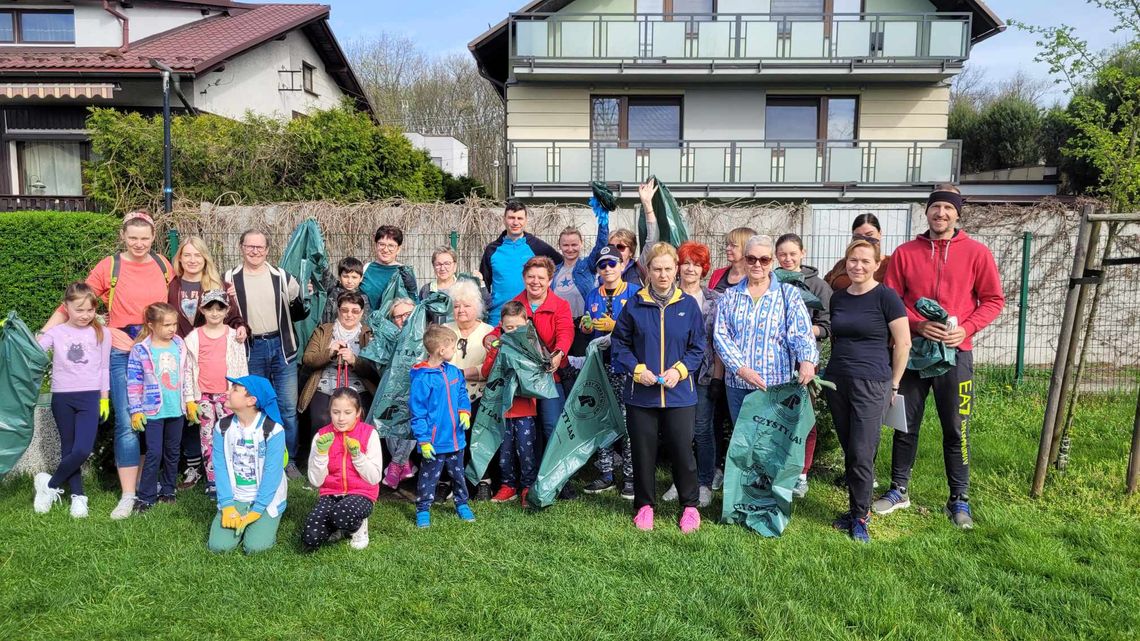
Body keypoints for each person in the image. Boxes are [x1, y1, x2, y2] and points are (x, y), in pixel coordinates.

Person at [873, 185, 1005, 529]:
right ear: (927, 213)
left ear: (957, 214)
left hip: (956, 355)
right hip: (912, 355)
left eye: (948, 208)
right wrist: (916, 324)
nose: (941, 214)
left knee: (956, 428)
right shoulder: (905, 253)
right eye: (935, 208)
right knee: (905, 424)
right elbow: (891, 299)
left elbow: (993, 300)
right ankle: (899, 489)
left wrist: (968, 328)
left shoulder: (977, 253)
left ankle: (959, 498)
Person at [40, 210, 172, 520]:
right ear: (123, 236)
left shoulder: (163, 265)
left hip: (155, 352)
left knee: (153, 418)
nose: (139, 244)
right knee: (127, 421)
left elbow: (184, 293)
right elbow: (74, 304)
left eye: (145, 238)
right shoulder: (109, 266)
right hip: (121, 353)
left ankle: (146, 485)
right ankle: (128, 496)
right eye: (133, 238)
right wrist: (42, 336)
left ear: (153, 237)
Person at [611, 242, 706, 532]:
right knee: (643, 451)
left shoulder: (688, 305)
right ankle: (644, 506)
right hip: (642, 394)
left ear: (676, 270)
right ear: (648, 271)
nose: (663, 275)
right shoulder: (634, 305)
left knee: (682, 451)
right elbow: (619, 344)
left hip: (680, 394)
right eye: (657, 269)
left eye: (668, 269)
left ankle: (689, 506)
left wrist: (679, 371)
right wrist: (638, 371)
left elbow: (698, 346)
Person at [825, 239, 910, 543]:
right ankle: (856, 507)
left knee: (862, 451)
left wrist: (895, 383)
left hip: (872, 382)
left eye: (864, 261)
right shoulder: (838, 299)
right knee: (851, 449)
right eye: (852, 260)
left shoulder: (886, 297)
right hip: (838, 382)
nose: (857, 266)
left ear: (876, 265)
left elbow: (903, 343)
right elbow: (836, 338)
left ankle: (860, 516)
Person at [224, 229, 309, 479]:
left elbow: (300, 310)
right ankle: (258, 456)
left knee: (287, 408)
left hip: (281, 347)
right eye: (250, 246)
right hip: (250, 349)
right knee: (254, 405)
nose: (255, 251)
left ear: (268, 250)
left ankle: (289, 460)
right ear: (241, 247)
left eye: (260, 247)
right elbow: (223, 313)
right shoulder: (229, 278)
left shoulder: (282, 277)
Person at [713, 235, 819, 425]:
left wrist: (807, 360)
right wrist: (741, 369)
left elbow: (802, 333)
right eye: (751, 259)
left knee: (772, 445)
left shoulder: (788, 294)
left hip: (776, 386)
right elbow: (721, 337)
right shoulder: (730, 296)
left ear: (772, 261)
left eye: (764, 259)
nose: (757, 264)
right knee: (744, 445)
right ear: (744, 260)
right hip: (738, 385)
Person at [169, 236, 245, 490]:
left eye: (197, 255)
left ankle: (231, 473)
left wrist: (242, 326)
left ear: (205, 258)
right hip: (185, 357)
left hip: (219, 373)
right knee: (194, 418)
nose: (192, 260)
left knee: (227, 428)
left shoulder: (219, 285)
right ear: (180, 258)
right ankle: (197, 468)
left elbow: (234, 318)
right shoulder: (173, 285)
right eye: (186, 255)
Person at [32, 283, 111, 518]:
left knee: (82, 449)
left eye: (90, 310)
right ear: (66, 308)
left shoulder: (102, 333)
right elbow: (34, 351)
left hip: (90, 397)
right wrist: (15, 333)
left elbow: (104, 367)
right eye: (79, 310)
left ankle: (49, 485)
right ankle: (78, 496)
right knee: (68, 449)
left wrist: (104, 398)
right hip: (62, 398)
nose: (85, 315)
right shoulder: (56, 333)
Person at [661, 241, 720, 508]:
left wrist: (717, 376)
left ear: (704, 269)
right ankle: (681, 479)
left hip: (704, 376)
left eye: (697, 264)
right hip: (673, 374)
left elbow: (720, 342)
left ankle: (704, 483)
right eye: (686, 263)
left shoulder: (714, 301)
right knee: (678, 432)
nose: (691, 269)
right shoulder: (666, 296)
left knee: (702, 430)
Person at [775, 233, 832, 498]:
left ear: (802, 253)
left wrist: (804, 330)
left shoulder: (817, 286)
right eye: (782, 254)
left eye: (792, 254)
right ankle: (776, 468)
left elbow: (828, 326)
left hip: (805, 363)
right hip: (774, 362)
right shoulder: (771, 281)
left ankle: (801, 474)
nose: (787, 259)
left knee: (803, 419)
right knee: (776, 418)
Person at [579, 245, 638, 499]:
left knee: (627, 422)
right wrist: (585, 325)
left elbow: (643, 328)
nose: (607, 269)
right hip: (601, 366)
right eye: (602, 265)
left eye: (612, 263)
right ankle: (605, 474)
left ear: (623, 265)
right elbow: (587, 325)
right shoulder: (593, 294)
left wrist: (616, 326)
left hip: (626, 367)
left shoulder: (636, 292)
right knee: (601, 418)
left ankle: (631, 476)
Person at [126, 303, 195, 513]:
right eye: (167, 325)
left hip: (176, 409)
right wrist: (136, 409)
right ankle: (146, 496)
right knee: (154, 452)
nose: (172, 329)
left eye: (174, 324)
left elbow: (187, 373)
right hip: (152, 411)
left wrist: (190, 401)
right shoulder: (141, 350)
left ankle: (168, 490)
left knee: (173, 451)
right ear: (151, 325)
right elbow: (134, 382)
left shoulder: (179, 345)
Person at [207, 375, 288, 555]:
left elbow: (272, 473)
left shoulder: (273, 430)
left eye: (235, 389)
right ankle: (240, 516)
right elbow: (219, 467)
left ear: (251, 400)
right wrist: (227, 505)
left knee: (255, 548)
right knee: (219, 547)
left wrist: (257, 511)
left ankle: (266, 521)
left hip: (265, 499)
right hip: (235, 497)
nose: (228, 391)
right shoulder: (222, 427)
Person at [184, 290, 249, 499]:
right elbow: (187, 370)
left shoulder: (233, 336)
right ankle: (212, 480)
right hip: (203, 396)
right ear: (202, 310)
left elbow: (241, 367)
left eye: (219, 308)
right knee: (208, 439)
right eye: (209, 308)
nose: (214, 313)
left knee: (231, 436)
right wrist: (189, 399)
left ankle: (232, 478)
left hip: (227, 395)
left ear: (227, 310)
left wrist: (241, 394)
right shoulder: (193, 337)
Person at [410, 325, 475, 528]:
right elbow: (417, 413)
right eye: (453, 347)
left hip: (456, 439)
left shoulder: (454, 372)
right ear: (441, 350)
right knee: (428, 477)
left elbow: (462, 394)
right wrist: (423, 440)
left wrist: (465, 411)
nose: (455, 350)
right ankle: (423, 509)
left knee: (458, 475)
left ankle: (462, 503)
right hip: (434, 443)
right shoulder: (422, 379)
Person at [303, 387, 383, 551]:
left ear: (358, 412)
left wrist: (358, 456)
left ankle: (358, 528)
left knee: (342, 513)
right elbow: (316, 481)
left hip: (361, 493)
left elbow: (374, 478)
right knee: (311, 538)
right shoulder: (321, 436)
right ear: (330, 412)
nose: (340, 418)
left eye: (347, 412)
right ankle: (338, 528)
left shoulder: (369, 434)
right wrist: (321, 454)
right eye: (336, 412)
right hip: (331, 494)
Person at [300, 291, 378, 452]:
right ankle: (322, 458)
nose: (349, 315)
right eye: (345, 310)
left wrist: (355, 361)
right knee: (322, 419)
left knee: (362, 418)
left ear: (362, 313)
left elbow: (375, 370)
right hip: (325, 385)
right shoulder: (324, 330)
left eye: (355, 311)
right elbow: (308, 359)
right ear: (338, 310)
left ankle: (356, 458)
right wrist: (329, 352)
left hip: (359, 386)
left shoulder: (369, 333)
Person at [512, 256, 573, 445]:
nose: (535, 282)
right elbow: (502, 329)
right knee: (525, 430)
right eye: (531, 276)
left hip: (550, 376)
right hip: (522, 377)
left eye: (541, 277)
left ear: (550, 280)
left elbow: (566, 332)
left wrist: (558, 353)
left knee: (552, 426)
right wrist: (489, 338)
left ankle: (556, 472)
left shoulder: (561, 306)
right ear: (524, 278)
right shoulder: (515, 305)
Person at [485, 301, 540, 505]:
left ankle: (527, 487)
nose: (514, 331)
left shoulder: (533, 346)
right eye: (509, 328)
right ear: (501, 326)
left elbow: (538, 376)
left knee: (526, 451)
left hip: (525, 410)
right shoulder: (498, 345)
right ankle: (508, 486)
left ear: (527, 323)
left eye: (518, 327)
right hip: (502, 410)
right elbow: (486, 372)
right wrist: (493, 351)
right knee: (504, 451)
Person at [443, 280, 495, 500]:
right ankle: (448, 481)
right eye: (456, 306)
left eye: (466, 305)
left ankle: (484, 481)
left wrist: (459, 373)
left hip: (479, 395)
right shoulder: (444, 330)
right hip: (448, 395)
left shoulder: (489, 332)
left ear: (478, 307)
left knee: (478, 435)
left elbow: (489, 369)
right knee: (447, 436)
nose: (461, 310)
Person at [479, 200, 561, 325]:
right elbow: (483, 283)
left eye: (520, 218)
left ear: (526, 220)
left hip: (529, 319)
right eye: (511, 218)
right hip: (498, 318)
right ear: (504, 219)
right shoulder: (492, 250)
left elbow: (561, 265)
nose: (515, 222)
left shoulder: (538, 247)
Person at [554, 209, 609, 356]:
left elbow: (601, 246)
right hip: (560, 327)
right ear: (559, 245)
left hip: (583, 327)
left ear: (581, 244)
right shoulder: (554, 271)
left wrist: (603, 221)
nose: (570, 249)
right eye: (565, 245)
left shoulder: (587, 266)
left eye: (574, 244)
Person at [380, 296, 421, 488]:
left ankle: (395, 465)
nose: (403, 319)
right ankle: (404, 464)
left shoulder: (424, 336)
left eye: (408, 314)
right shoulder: (388, 338)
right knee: (389, 421)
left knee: (411, 419)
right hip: (391, 392)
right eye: (398, 317)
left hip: (418, 394)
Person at [824, 213, 892, 291]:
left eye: (869, 235)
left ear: (880, 234)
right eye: (858, 237)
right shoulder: (842, 264)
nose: (864, 240)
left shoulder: (891, 264)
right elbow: (826, 284)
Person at [361, 225, 419, 310]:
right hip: (367, 322)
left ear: (398, 249)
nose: (385, 249)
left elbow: (414, 304)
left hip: (395, 322)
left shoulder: (404, 272)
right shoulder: (366, 268)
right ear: (376, 246)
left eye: (391, 245)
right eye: (382, 244)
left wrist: (412, 291)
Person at [322, 257, 372, 325]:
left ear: (361, 278)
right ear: (339, 277)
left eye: (354, 277)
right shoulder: (331, 291)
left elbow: (364, 323)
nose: (349, 281)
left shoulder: (363, 298)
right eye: (345, 276)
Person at [708, 227, 758, 293]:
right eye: (727, 244)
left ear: (747, 248)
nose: (727, 248)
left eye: (733, 245)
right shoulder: (717, 274)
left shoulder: (755, 277)